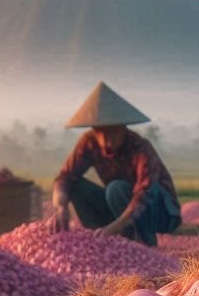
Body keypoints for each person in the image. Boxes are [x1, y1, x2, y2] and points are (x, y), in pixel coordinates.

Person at [50, 81, 182, 246]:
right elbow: (65, 178)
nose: (106, 140)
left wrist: (114, 228)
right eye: (100, 132)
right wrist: (61, 206)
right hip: (119, 208)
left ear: (123, 128)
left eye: (112, 132)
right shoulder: (89, 142)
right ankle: (99, 241)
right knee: (76, 186)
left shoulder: (140, 147)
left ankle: (145, 243)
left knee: (115, 188)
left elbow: (145, 194)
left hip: (160, 212)